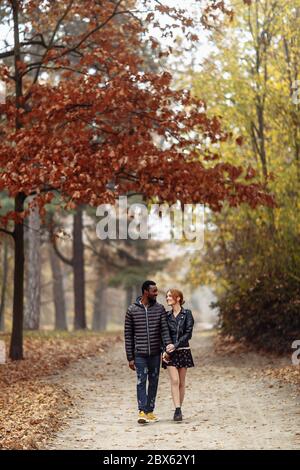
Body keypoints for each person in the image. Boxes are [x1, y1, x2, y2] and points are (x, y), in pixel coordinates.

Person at [124, 280, 175, 424]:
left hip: (155, 353)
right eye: (154, 291)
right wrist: (130, 357)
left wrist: (168, 348)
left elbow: (164, 331)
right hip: (139, 354)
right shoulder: (132, 310)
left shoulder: (159, 309)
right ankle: (141, 411)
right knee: (141, 381)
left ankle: (149, 411)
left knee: (154, 382)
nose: (156, 293)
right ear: (146, 291)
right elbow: (128, 335)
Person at [162, 288, 194, 422]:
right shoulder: (166, 316)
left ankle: (179, 408)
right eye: (167, 296)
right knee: (174, 381)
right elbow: (163, 334)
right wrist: (166, 348)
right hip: (170, 353)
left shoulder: (187, 314)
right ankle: (177, 409)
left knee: (181, 382)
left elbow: (188, 333)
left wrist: (176, 345)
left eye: (170, 296)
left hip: (183, 350)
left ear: (178, 298)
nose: (167, 298)